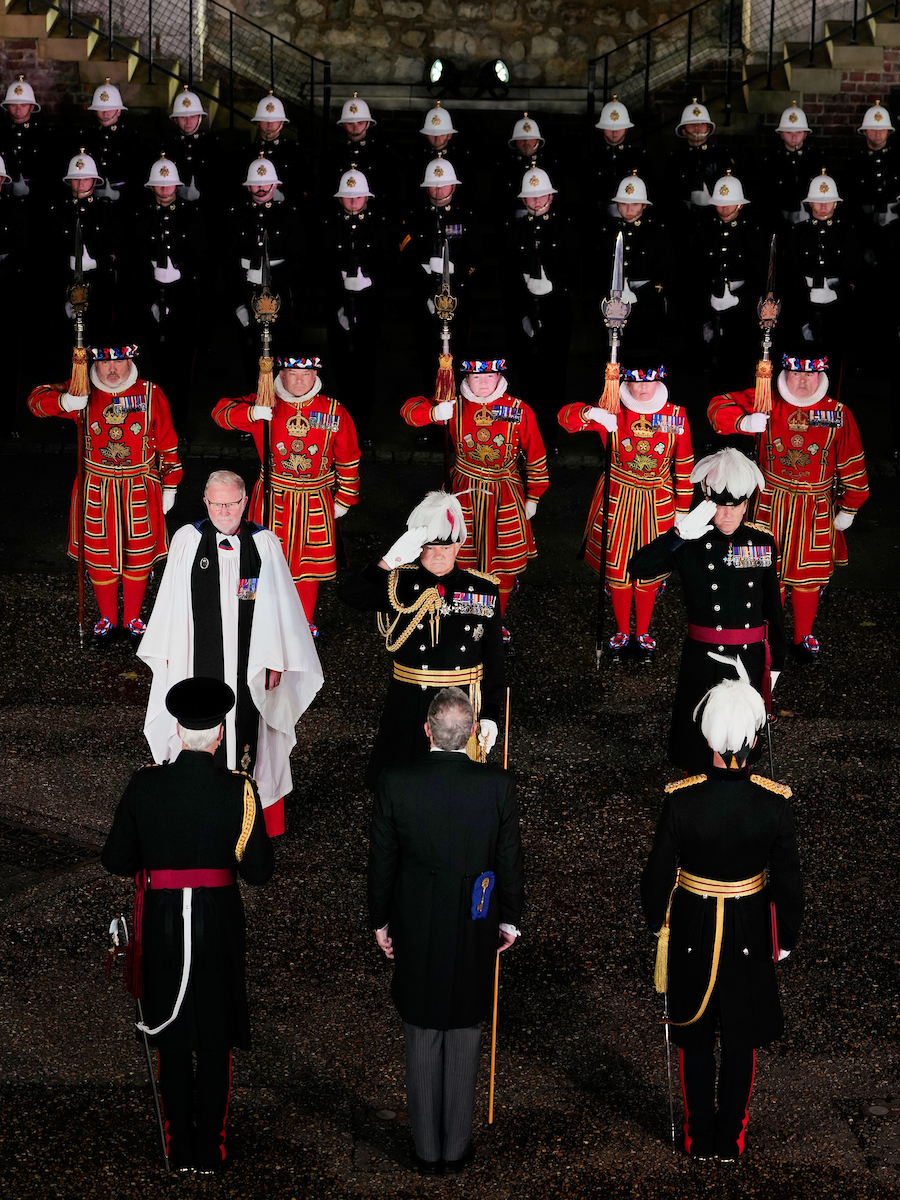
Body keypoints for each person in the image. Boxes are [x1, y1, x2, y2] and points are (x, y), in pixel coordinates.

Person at [102, 676, 275, 1173]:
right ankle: (211, 1151)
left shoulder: (146, 784)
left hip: (160, 919)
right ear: (220, 733)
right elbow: (259, 872)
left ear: (177, 730)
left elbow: (116, 859)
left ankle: (178, 1148)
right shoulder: (239, 789)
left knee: (171, 1034)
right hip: (218, 917)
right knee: (215, 1034)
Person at [641, 659, 803, 1160]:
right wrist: (786, 938)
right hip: (751, 923)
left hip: (691, 921)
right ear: (752, 740)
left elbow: (656, 876)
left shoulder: (681, 800)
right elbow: (789, 882)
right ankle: (731, 1138)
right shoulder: (773, 802)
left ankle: (697, 1138)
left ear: (708, 738)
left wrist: (656, 924)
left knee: (692, 1035)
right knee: (741, 1036)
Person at [369, 686, 524, 1176]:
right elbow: (509, 860)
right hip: (475, 920)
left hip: (415, 918)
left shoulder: (396, 781)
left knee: (421, 1027)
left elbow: (382, 863)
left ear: (427, 730)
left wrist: (379, 921)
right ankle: (455, 1148)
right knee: (463, 1028)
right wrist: (509, 918)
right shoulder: (497, 785)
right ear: (474, 733)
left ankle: (425, 1149)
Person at [138, 469, 324, 836]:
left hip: (250, 662)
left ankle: (250, 822)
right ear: (206, 502)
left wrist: (277, 662)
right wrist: (171, 654)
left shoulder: (265, 543)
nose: (224, 510)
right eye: (216, 503)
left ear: (244, 503)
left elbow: (282, 609)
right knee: (195, 724)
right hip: (195, 660)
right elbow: (171, 607)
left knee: (250, 733)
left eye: (231, 503)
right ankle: (196, 812)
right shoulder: (187, 541)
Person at [629, 448, 786, 772]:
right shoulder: (690, 542)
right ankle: (696, 800)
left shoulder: (762, 542)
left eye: (735, 507)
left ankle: (734, 798)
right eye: (720, 507)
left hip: (749, 656)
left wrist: (777, 662)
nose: (727, 516)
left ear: (746, 505)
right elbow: (638, 568)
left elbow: (773, 608)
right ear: (708, 504)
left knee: (741, 739)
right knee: (698, 738)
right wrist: (676, 536)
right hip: (704, 656)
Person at [338, 490, 506, 790]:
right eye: (429, 546)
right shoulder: (398, 582)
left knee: (459, 789)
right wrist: (388, 561)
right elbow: (350, 595)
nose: (438, 554)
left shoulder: (482, 589)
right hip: (410, 699)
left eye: (446, 546)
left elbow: (494, 659)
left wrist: (491, 714)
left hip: (463, 699)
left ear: (459, 545)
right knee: (403, 783)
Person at [708, 352, 869, 662]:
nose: (804, 380)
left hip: (815, 507)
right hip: (770, 502)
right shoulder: (767, 398)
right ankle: (769, 633)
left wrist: (851, 505)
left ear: (822, 374)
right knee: (767, 573)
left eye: (811, 374)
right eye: (797, 374)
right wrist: (744, 421)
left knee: (809, 579)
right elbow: (716, 408)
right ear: (785, 372)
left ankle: (803, 637)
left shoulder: (837, 413)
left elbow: (853, 462)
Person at [27, 343, 181, 647]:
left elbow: (167, 441)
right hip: (96, 487)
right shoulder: (82, 390)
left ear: (132, 359)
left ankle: (133, 620)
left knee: (138, 555)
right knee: (99, 555)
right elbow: (35, 401)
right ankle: (108, 618)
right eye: (105, 363)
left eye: (120, 361)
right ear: (92, 363)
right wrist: (65, 401)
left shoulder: (151, 393)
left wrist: (171, 483)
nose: (112, 370)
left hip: (140, 485)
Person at [211, 354, 361, 634]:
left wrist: (345, 498)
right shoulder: (264, 402)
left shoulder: (333, 411)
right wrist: (251, 414)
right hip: (272, 495)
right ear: (280, 374)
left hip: (314, 498)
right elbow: (220, 414)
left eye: (306, 373)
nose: (300, 380)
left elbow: (349, 457)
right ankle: (249, 616)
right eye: (293, 373)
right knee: (256, 559)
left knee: (308, 565)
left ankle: (303, 623)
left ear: (316, 375)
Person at [558, 359, 693, 664]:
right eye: (636, 382)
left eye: (649, 381)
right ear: (624, 382)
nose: (643, 388)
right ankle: (621, 631)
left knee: (652, 569)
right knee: (617, 569)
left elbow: (684, 465)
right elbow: (565, 418)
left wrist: (683, 509)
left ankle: (643, 632)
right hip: (617, 498)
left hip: (658, 501)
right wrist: (590, 413)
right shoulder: (612, 408)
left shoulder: (676, 414)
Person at [400, 358, 549, 628]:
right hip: (462, 493)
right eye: (476, 377)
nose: (482, 383)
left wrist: (534, 495)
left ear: (500, 377)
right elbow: (408, 412)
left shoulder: (518, 409)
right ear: (465, 378)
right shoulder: (453, 405)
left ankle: (495, 624)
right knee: (460, 556)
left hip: (504, 493)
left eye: (489, 377)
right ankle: (465, 620)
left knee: (503, 562)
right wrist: (434, 413)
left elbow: (536, 454)